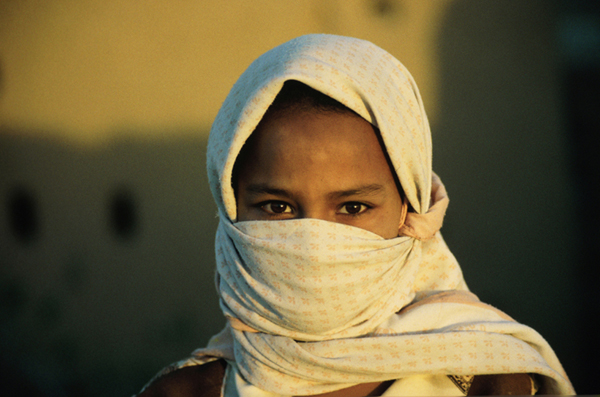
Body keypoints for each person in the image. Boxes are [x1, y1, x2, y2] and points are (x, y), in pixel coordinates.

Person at [137, 34, 574, 396]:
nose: (314, 243)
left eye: (353, 207)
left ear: (409, 209)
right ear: (230, 210)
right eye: (278, 207)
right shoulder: (187, 392)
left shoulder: (491, 379)